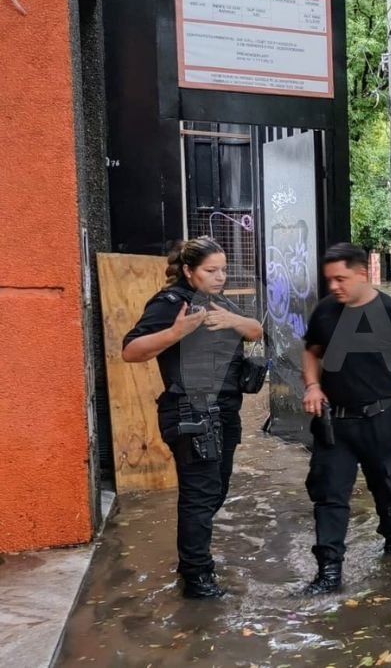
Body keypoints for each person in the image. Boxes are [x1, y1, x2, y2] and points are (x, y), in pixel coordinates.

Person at [122, 236, 263, 599]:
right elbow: (131, 351)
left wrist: (234, 319)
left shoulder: (220, 302)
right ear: (188, 271)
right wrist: (174, 332)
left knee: (216, 489)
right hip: (191, 410)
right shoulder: (171, 304)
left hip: (226, 411)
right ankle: (198, 579)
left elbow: (257, 331)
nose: (219, 277)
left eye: (223, 270)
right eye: (210, 271)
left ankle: (191, 561)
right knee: (199, 496)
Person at [299, 243, 391, 595]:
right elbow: (311, 354)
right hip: (335, 423)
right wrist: (312, 385)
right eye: (329, 280)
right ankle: (328, 574)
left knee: (387, 488)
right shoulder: (325, 312)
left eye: (341, 279)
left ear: (362, 274)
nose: (334, 287)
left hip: (380, 418)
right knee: (329, 496)